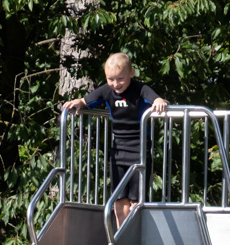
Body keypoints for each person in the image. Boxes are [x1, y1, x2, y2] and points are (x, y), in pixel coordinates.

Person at [63, 52, 169, 225]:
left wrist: (158, 101)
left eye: (120, 79)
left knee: (136, 200)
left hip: (140, 151)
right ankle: (121, 233)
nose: (115, 84)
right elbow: (87, 100)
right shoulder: (107, 90)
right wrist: (78, 102)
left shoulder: (140, 89)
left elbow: (156, 99)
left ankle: (135, 232)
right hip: (118, 152)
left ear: (131, 73)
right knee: (119, 198)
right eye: (110, 79)